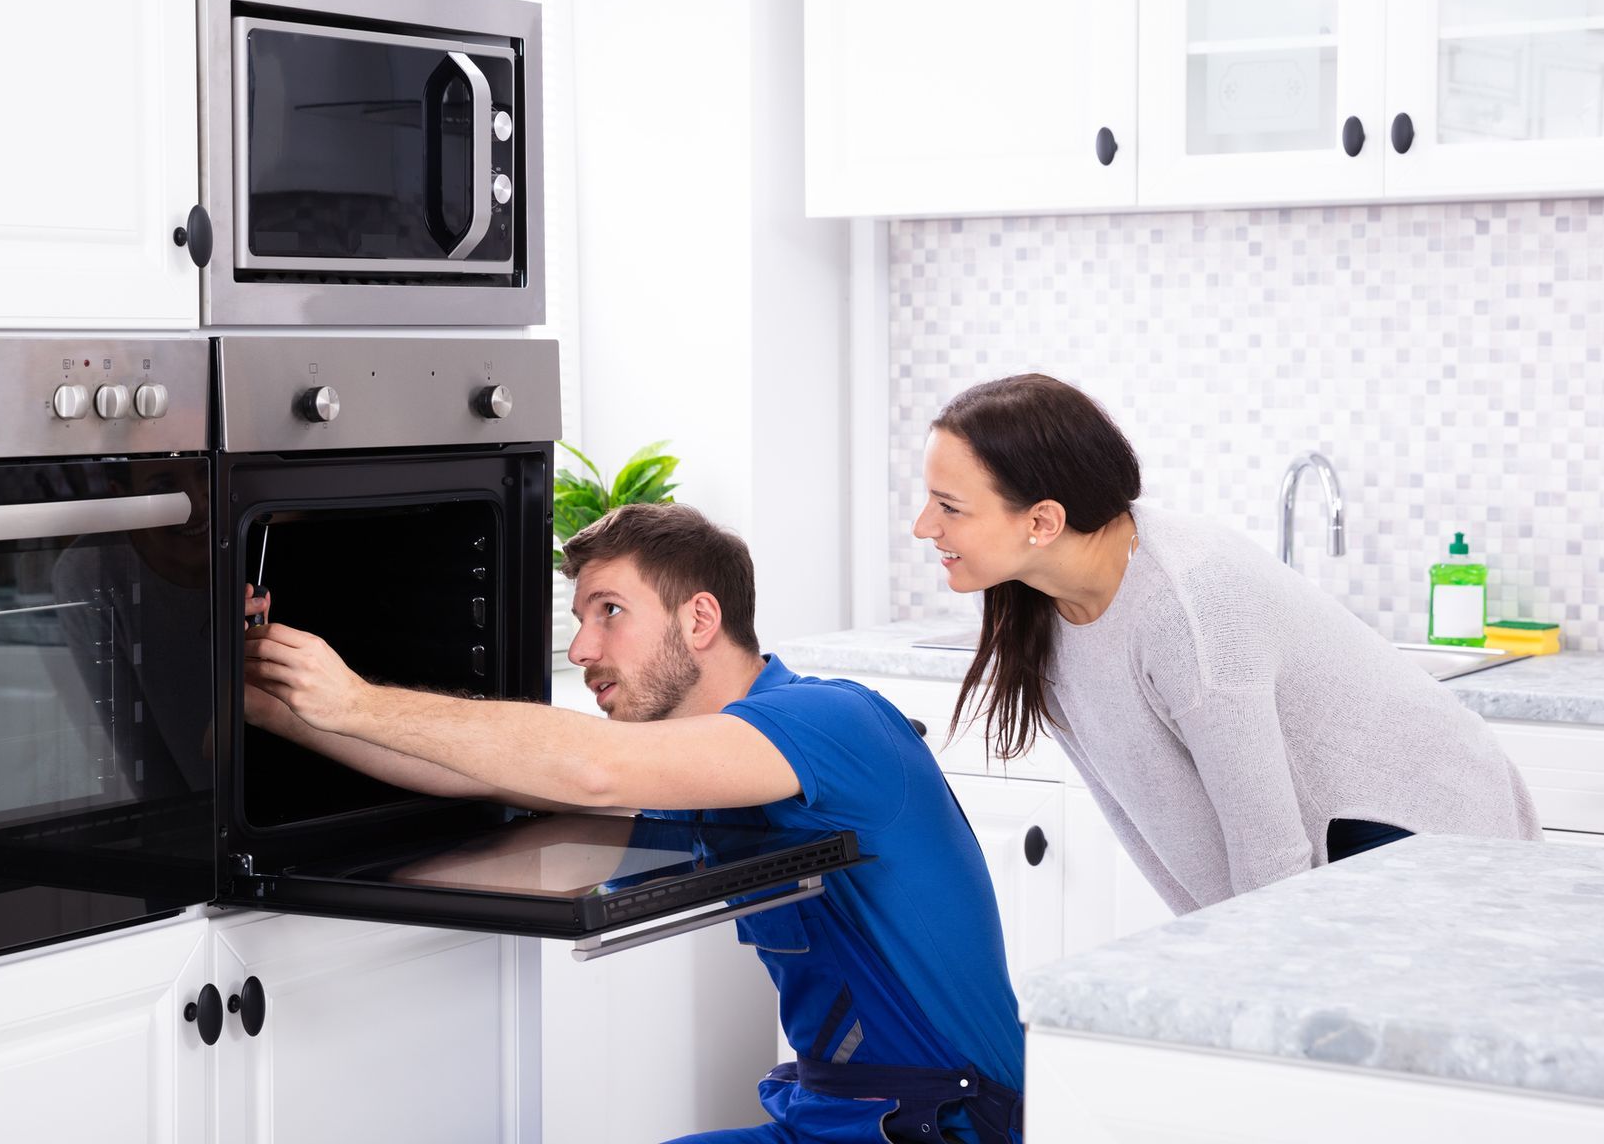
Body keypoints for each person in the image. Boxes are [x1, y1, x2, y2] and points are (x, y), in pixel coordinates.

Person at [243, 503, 1025, 1144]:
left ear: (700, 619)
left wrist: (357, 700)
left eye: (609, 612)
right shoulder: (691, 768)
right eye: (581, 617)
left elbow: (593, 765)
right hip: (837, 1118)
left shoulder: (829, 721)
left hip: (946, 1125)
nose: (582, 647)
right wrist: (276, 707)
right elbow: (472, 767)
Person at [911, 373, 1540, 914]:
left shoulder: (1190, 610)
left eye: (950, 507)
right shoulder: (1031, 600)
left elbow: (1270, 854)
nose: (924, 527)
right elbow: (1149, 817)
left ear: (1043, 521)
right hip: (1318, 848)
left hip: (1415, 824)